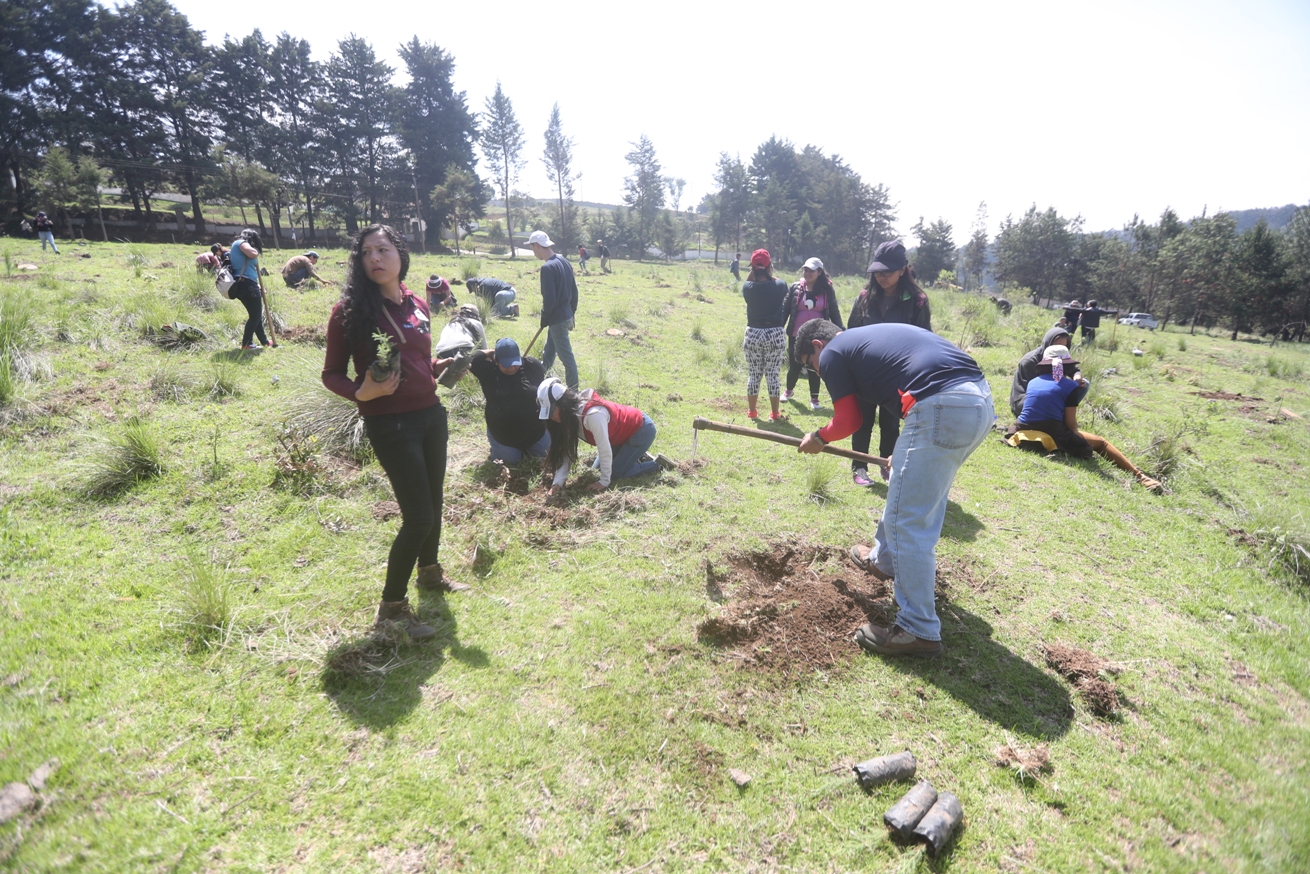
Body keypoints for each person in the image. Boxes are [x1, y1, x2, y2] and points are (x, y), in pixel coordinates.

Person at [794, 319, 994, 658]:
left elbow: (849, 421)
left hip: (941, 404)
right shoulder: (866, 342)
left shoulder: (833, 353)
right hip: (978, 403)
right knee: (908, 489)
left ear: (817, 345)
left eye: (809, 365)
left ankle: (918, 629)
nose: (816, 371)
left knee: (909, 520)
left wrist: (819, 437)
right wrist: (904, 451)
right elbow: (905, 390)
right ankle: (884, 560)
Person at [321, 224, 469, 641]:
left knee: (434, 502)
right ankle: (390, 610)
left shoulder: (418, 303)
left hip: (431, 415)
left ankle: (430, 573)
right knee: (418, 515)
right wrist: (360, 392)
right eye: (366, 252)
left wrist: (441, 368)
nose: (375, 258)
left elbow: (420, 357)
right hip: (390, 423)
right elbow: (331, 373)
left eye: (383, 249)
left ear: (400, 255)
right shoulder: (349, 312)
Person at [1009, 345, 1162, 491]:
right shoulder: (1070, 386)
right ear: (1067, 365)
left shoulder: (1033, 382)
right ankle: (1140, 476)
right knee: (1101, 443)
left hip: (1022, 425)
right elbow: (1071, 425)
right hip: (1051, 430)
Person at [845, 240, 932, 485]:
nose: (882, 277)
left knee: (890, 423)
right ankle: (859, 467)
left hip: (898, 375)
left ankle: (887, 464)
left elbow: (924, 339)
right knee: (861, 421)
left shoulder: (917, 301)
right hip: (864, 372)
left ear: (903, 269)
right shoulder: (864, 297)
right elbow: (851, 333)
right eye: (878, 272)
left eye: (888, 272)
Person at [538, 377, 673, 494]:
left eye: (552, 411)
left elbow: (604, 448)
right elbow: (566, 453)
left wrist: (604, 482)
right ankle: (636, 456)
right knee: (596, 469)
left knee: (614, 474)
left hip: (641, 430)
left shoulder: (592, 415)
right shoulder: (567, 419)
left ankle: (658, 464)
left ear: (563, 404)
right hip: (618, 437)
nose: (551, 418)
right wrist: (558, 484)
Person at [468, 338, 551, 464]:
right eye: (506, 365)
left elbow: (549, 387)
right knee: (510, 462)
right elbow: (471, 358)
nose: (512, 368)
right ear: (497, 361)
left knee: (544, 457)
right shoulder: (488, 372)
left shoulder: (531, 365)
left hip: (535, 432)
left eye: (515, 363)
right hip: (504, 435)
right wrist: (492, 351)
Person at [782, 257, 844, 411]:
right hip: (796, 334)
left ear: (819, 272)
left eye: (811, 270)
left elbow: (834, 311)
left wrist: (841, 331)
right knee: (795, 364)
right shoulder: (795, 287)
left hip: (818, 337)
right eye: (805, 270)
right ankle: (788, 391)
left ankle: (814, 399)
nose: (807, 273)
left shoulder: (827, 290)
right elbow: (785, 310)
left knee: (815, 367)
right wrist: (778, 328)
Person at [740, 248, 788, 420]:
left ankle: (752, 412)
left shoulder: (748, 287)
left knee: (754, 374)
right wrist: (768, 274)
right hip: (774, 333)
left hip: (753, 332)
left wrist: (756, 272)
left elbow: (747, 283)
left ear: (752, 268)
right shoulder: (780, 286)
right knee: (773, 375)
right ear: (770, 267)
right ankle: (775, 413)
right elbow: (778, 282)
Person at [528, 230, 580, 389]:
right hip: (564, 315)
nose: (533, 252)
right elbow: (574, 291)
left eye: (532, 248)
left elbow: (549, 300)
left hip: (557, 319)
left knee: (568, 360)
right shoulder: (564, 261)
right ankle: (540, 377)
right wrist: (572, 314)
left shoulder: (548, 268)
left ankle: (574, 393)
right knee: (549, 351)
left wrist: (544, 318)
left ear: (537, 246)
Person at [1009, 326, 1079, 417]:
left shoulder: (1061, 357)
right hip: (1024, 400)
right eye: (1056, 345)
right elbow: (1036, 390)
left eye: (1063, 346)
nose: (1059, 349)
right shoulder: (1030, 361)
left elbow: (1074, 370)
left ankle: (1065, 414)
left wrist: (1077, 380)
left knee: (1083, 384)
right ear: (1048, 343)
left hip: (1047, 396)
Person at [228, 229, 272, 351]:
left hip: (247, 284)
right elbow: (253, 253)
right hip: (246, 284)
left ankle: (264, 341)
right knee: (256, 316)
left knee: (255, 315)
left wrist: (257, 286)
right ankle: (247, 343)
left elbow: (248, 270)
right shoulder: (241, 243)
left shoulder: (238, 246)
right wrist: (255, 250)